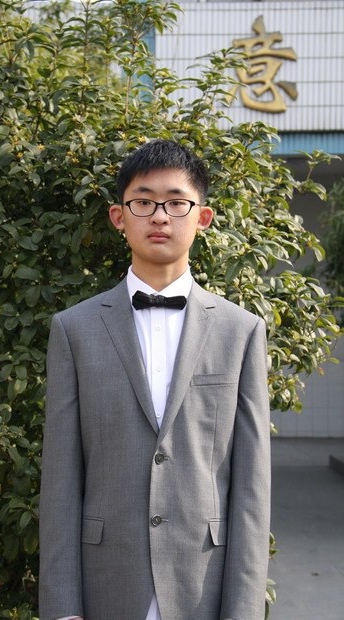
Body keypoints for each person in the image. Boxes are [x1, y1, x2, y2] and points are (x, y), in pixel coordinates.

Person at [39, 139, 271, 620]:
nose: (160, 216)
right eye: (143, 202)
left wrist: (243, 610)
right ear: (118, 217)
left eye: (176, 202)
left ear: (202, 217)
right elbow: (60, 478)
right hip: (105, 583)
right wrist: (62, 608)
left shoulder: (241, 332)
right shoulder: (74, 329)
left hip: (203, 586)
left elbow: (252, 486)